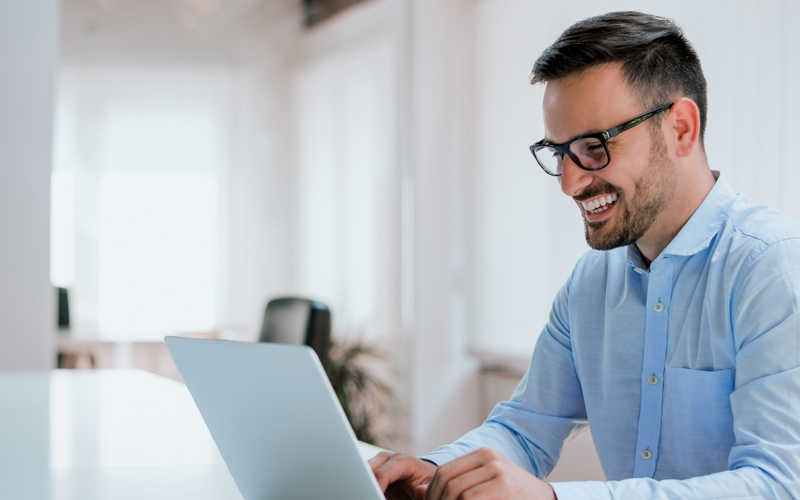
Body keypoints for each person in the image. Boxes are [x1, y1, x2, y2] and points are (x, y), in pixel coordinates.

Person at [369, 11, 800, 500]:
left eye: (593, 148)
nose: (571, 183)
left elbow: (779, 485)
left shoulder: (771, 267)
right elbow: (527, 428)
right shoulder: (593, 282)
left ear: (680, 128)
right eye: (559, 153)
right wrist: (432, 468)